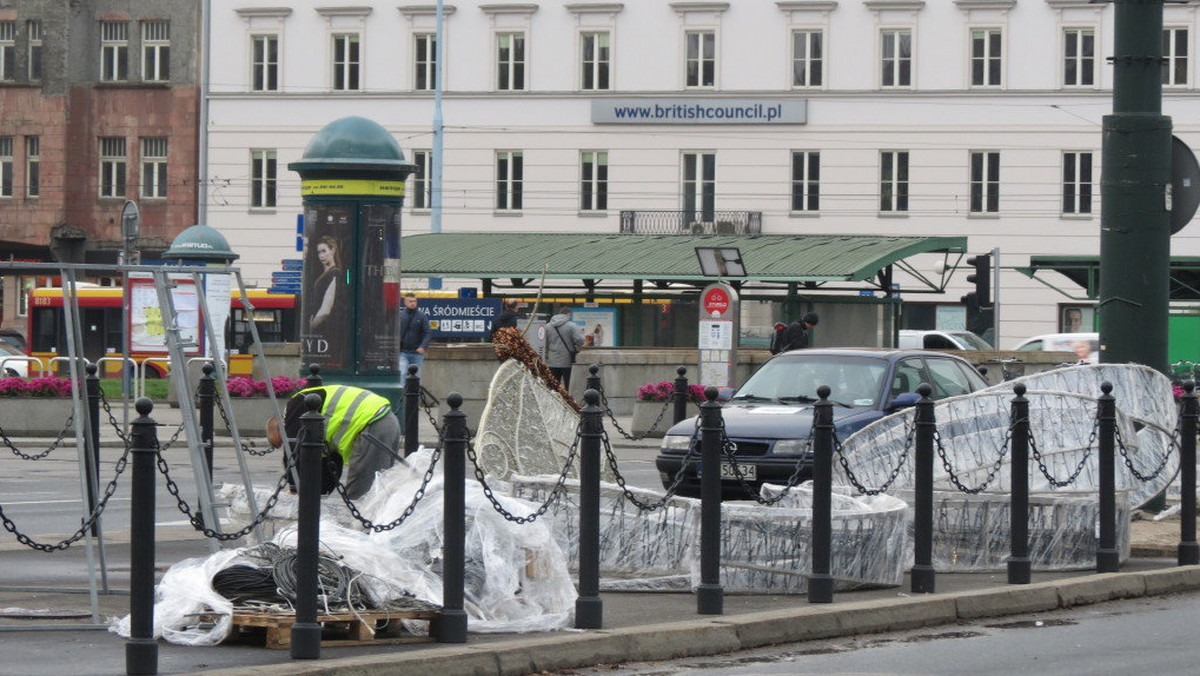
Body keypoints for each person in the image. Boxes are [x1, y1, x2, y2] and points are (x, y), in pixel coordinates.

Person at [266, 384, 403, 499]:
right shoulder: (311, 411)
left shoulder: (295, 406)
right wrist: (319, 492)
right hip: (386, 419)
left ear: (280, 428)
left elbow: (292, 449)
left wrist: (294, 487)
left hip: (371, 423)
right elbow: (331, 464)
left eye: (281, 441)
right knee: (380, 489)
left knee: (361, 494)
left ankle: (361, 530)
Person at [545, 305, 585, 388]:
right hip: (567, 361)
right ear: (568, 314)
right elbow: (580, 340)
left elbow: (544, 342)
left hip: (553, 361)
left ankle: (554, 400)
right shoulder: (572, 326)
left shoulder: (548, 326)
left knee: (553, 386)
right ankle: (567, 401)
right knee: (569, 386)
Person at [309, 236, 343, 330]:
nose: (321, 256)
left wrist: (312, 326)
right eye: (319, 252)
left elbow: (326, 310)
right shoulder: (325, 274)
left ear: (332, 250)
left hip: (324, 327)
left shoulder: (335, 273)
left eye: (324, 251)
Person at [399, 293, 432, 377]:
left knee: (417, 376)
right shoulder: (400, 316)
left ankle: (415, 390)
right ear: (405, 303)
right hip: (403, 352)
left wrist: (423, 346)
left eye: (414, 301)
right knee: (402, 373)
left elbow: (427, 332)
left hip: (417, 352)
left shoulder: (422, 316)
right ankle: (403, 390)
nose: (413, 303)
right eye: (410, 301)